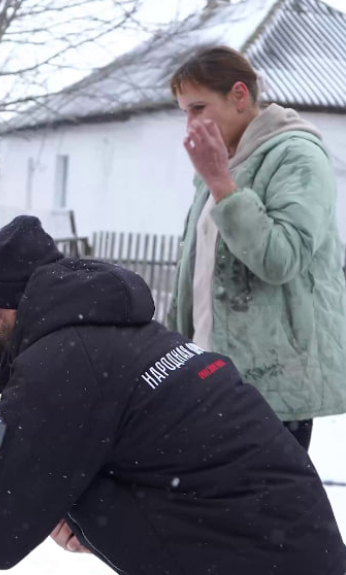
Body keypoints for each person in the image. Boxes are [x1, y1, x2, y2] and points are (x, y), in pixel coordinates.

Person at [0, 216, 346, 575]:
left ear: (10, 302)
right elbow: (181, 471)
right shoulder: (131, 337)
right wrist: (101, 522)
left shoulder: (62, 368)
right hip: (296, 548)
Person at [166, 45, 346, 450]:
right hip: (209, 378)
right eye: (184, 113)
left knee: (265, 510)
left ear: (240, 96)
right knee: (207, 509)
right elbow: (197, 278)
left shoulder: (297, 155)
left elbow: (281, 259)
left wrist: (221, 184)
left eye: (198, 107)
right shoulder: (222, 166)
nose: (190, 124)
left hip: (274, 388)